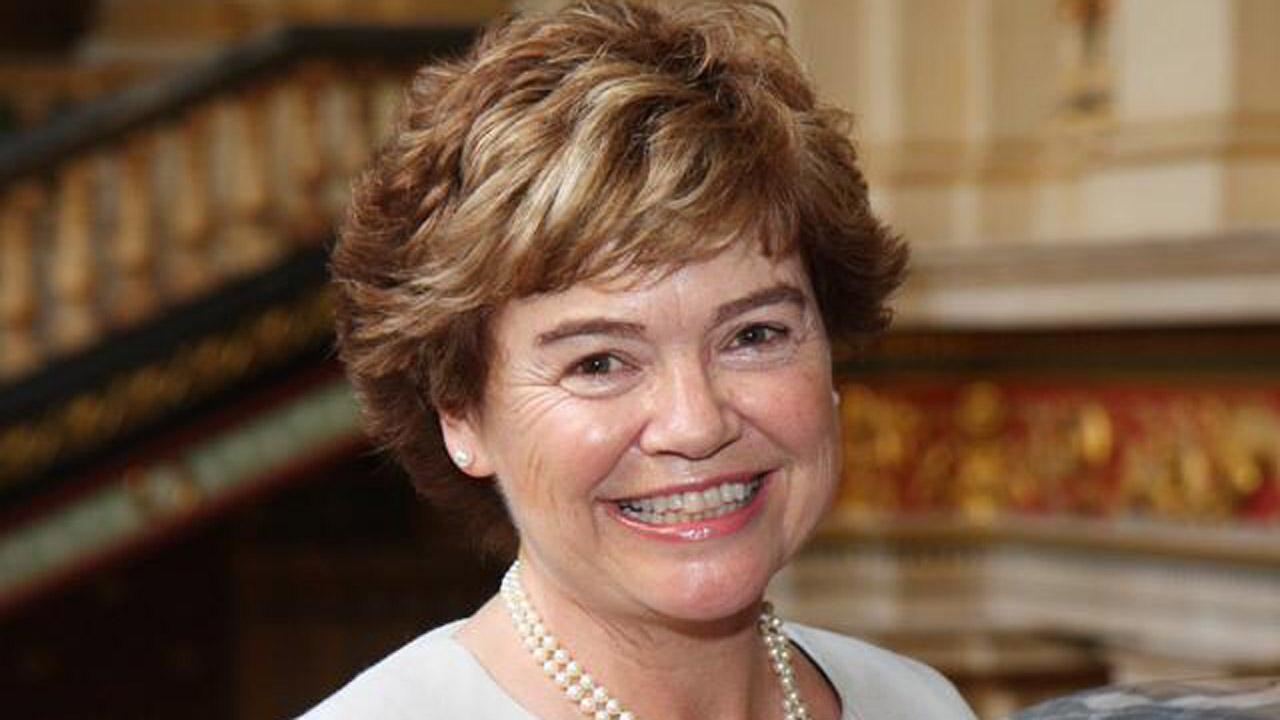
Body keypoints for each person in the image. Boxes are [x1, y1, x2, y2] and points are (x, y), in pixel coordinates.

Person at [305, 1, 976, 718]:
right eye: (599, 363)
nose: (695, 425)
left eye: (754, 336)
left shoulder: (919, 704)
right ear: (460, 414)